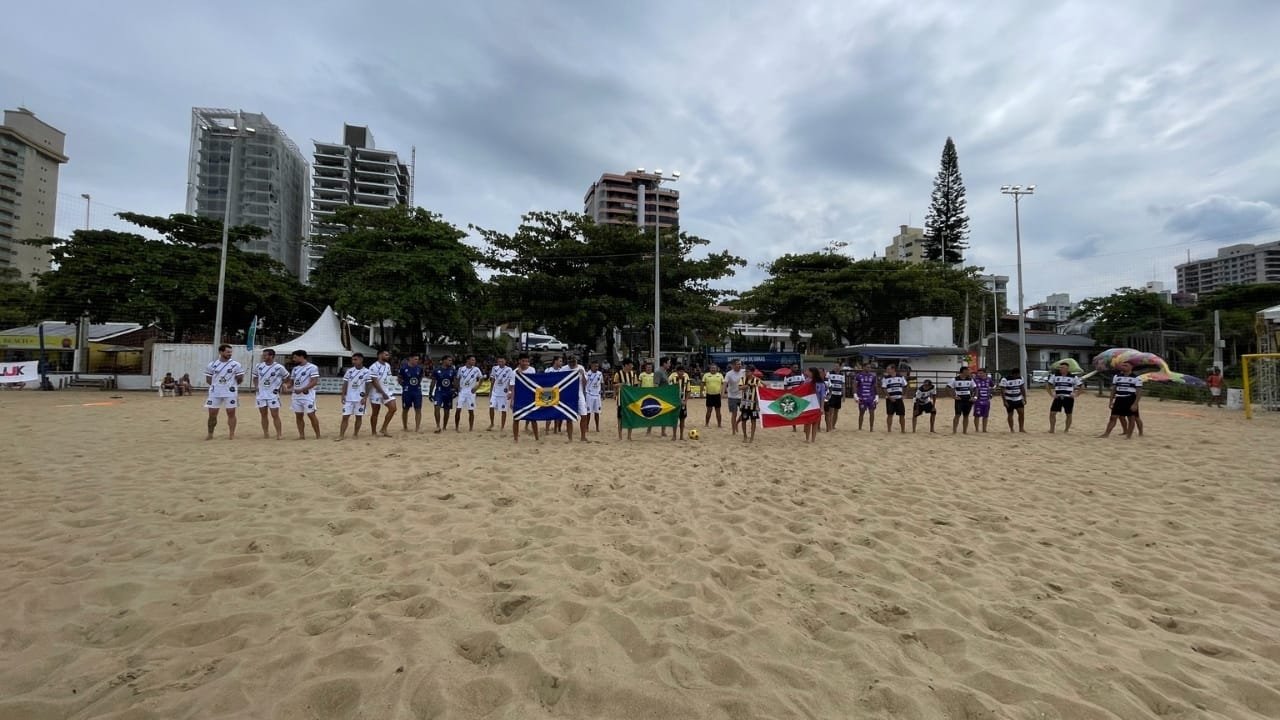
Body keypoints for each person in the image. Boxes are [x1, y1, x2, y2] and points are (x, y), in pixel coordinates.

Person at [337, 352, 387, 441]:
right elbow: (345, 383)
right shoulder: (349, 371)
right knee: (345, 417)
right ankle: (341, 435)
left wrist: (365, 397)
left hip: (360, 399)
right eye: (352, 360)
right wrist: (343, 395)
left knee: (358, 417)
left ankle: (355, 434)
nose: (353, 361)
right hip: (349, 398)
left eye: (355, 359)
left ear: (361, 360)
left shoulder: (367, 372)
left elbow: (368, 385)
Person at [204, 344, 245, 440]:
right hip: (215, 393)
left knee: (231, 413)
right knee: (212, 414)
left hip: (230, 392)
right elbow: (208, 379)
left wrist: (233, 384)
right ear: (221, 352)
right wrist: (217, 386)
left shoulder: (236, 364)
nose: (230, 354)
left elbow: (240, 378)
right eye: (228, 352)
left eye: (231, 352)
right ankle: (210, 434)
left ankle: (231, 434)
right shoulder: (212, 364)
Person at [252, 349, 288, 440]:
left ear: (272, 356)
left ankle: (279, 434)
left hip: (273, 394)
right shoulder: (259, 366)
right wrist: (256, 386)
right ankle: (266, 433)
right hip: (261, 394)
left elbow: (287, 377)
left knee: (275, 414)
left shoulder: (279, 367)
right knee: (263, 415)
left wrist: (283, 384)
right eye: (263, 355)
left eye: (265, 355)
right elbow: (255, 377)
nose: (263, 357)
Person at [1101, 362, 1143, 439]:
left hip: (1130, 399)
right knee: (1113, 417)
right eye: (1122, 365)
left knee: (1132, 418)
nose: (1123, 367)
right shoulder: (1117, 376)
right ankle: (1106, 434)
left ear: (1131, 367)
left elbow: (1139, 392)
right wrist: (1111, 401)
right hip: (1119, 399)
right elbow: (1113, 390)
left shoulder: (1137, 378)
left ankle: (1131, 435)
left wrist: (1135, 403)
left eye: (1126, 365)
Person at [286, 350, 321, 439]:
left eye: (295, 357)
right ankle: (302, 435)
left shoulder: (312, 367)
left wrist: (302, 389)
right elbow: (291, 382)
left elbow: (314, 382)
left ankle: (318, 435)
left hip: (308, 395)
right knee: (298, 415)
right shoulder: (295, 369)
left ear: (302, 356)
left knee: (311, 414)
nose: (294, 359)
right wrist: (286, 386)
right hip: (296, 396)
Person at [367, 349, 398, 437]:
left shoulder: (388, 365)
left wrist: (388, 390)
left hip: (386, 390)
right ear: (380, 355)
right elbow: (374, 381)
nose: (388, 356)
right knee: (375, 412)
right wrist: (382, 392)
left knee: (393, 408)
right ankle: (373, 432)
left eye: (388, 355)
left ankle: (384, 428)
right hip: (376, 392)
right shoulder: (374, 366)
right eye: (386, 354)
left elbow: (387, 379)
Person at [510, 354, 539, 443]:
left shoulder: (532, 370)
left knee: (533, 418)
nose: (525, 363)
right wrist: (512, 399)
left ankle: (537, 437)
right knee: (516, 418)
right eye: (523, 361)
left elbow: (534, 383)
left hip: (530, 396)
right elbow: (512, 386)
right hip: (519, 397)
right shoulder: (514, 372)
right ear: (519, 361)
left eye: (527, 361)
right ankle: (515, 438)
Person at [1047, 362, 1082, 433]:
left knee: (1068, 414)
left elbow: (1081, 386)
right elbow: (1048, 385)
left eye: (1062, 367)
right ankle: (1052, 429)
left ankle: (1066, 430)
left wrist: (1076, 394)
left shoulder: (1073, 377)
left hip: (1068, 398)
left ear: (1067, 369)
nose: (1061, 369)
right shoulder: (1055, 376)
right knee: (1052, 413)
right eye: (1060, 367)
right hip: (1058, 397)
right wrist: (1051, 394)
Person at [455, 354, 484, 433]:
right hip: (462, 391)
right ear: (467, 360)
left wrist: (476, 387)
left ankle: (471, 428)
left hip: (471, 392)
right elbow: (457, 378)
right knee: (458, 409)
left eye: (474, 360)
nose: (474, 361)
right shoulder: (461, 369)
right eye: (472, 360)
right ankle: (457, 427)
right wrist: (458, 388)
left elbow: (481, 378)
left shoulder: (476, 369)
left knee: (471, 410)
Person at [614, 359, 641, 441]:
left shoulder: (633, 374)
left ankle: (629, 436)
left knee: (630, 417)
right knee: (620, 417)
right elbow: (614, 385)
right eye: (630, 365)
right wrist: (621, 385)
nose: (632, 366)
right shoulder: (618, 374)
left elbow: (636, 386)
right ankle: (620, 436)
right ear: (626, 365)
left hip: (631, 399)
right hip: (621, 399)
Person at [430, 355, 458, 433]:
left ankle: (444, 426)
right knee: (437, 407)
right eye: (449, 360)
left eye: (451, 361)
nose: (450, 362)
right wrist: (430, 393)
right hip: (439, 392)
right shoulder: (436, 370)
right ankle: (438, 426)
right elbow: (433, 382)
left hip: (448, 392)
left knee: (447, 410)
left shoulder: (452, 370)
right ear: (444, 361)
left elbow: (455, 381)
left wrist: (456, 390)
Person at [398, 353, 426, 433]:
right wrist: (405, 386)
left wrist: (416, 384)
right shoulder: (403, 368)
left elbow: (421, 377)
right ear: (410, 359)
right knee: (405, 409)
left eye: (417, 359)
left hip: (417, 391)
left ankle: (417, 428)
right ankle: (405, 427)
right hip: (407, 392)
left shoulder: (419, 368)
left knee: (418, 409)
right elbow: (399, 379)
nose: (417, 361)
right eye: (415, 359)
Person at [487, 356, 515, 433]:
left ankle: (502, 426)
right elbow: (492, 380)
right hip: (495, 392)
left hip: (504, 393)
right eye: (499, 361)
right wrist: (490, 391)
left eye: (502, 361)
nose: (500, 363)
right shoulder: (494, 368)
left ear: (505, 361)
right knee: (491, 407)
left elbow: (511, 381)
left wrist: (510, 392)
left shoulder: (509, 370)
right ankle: (492, 423)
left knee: (503, 410)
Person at [948, 365, 976, 434]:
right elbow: (948, 387)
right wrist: (953, 396)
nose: (969, 372)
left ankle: (964, 431)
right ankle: (954, 431)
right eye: (968, 370)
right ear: (964, 371)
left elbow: (975, 388)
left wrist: (974, 397)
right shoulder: (954, 379)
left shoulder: (970, 379)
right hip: (959, 399)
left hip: (968, 399)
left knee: (966, 415)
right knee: (957, 414)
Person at [737, 363, 761, 443]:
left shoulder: (757, 380)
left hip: (753, 405)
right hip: (744, 404)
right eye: (746, 371)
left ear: (752, 372)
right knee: (744, 420)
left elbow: (763, 389)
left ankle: (752, 437)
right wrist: (748, 385)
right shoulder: (743, 379)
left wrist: (757, 385)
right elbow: (739, 387)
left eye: (748, 372)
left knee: (753, 421)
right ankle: (745, 436)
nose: (746, 373)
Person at [999, 367, 1027, 433]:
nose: (1017, 376)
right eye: (1017, 375)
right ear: (1013, 374)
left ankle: (1021, 428)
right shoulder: (1005, 379)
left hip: (1019, 399)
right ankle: (1012, 429)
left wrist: (1024, 397)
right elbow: (1002, 391)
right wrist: (1004, 401)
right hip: (1009, 399)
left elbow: (1022, 388)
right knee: (1010, 414)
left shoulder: (1020, 378)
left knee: (1021, 413)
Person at [880, 363, 907, 433]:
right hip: (890, 399)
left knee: (902, 414)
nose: (887, 370)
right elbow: (884, 389)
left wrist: (904, 395)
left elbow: (906, 386)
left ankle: (903, 430)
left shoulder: (901, 377)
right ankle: (889, 430)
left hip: (899, 398)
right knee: (890, 414)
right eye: (887, 369)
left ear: (893, 369)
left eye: (888, 369)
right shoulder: (885, 378)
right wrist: (889, 397)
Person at [582, 360, 605, 436]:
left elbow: (602, 383)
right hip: (589, 394)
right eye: (595, 366)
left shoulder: (600, 374)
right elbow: (584, 384)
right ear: (591, 366)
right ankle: (587, 426)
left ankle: (597, 427)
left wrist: (603, 393)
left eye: (597, 366)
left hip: (597, 395)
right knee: (588, 412)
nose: (596, 368)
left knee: (597, 412)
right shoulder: (587, 374)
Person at [670, 364, 692, 440]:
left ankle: (681, 436)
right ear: (677, 372)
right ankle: (674, 435)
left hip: (683, 403)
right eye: (679, 371)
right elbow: (671, 391)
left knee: (682, 419)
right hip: (675, 402)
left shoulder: (686, 380)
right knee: (674, 419)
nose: (681, 373)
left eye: (682, 371)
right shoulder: (673, 379)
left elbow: (688, 391)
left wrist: (685, 401)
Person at [854, 363, 879, 431]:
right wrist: (855, 395)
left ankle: (871, 428)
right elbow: (855, 386)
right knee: (861, 413)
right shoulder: (858, 376)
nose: (869, 368)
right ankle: (860, 427)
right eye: (867, 367)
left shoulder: (873, 376)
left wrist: (877, 396)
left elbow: (875, 386)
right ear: (863, 367)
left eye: (870, 367)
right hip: (862, 397)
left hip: (871, 397)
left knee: (872, 412)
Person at [804, 367, 825, 443]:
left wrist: (822, 407)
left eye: (808, 372)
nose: (807, 373)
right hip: (808, 405)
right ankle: (807, 438)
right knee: (808, 422)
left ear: (812, 372)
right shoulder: (807, 381)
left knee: (815, 422)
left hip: (817, 405)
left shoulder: (821, 383)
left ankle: (813, 439)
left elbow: (823, 396)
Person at [724, 359, 744, 435]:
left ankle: (737, 423)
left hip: (742, 396)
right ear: (733, 365)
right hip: (732, 396)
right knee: (734, 414)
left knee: (745, 413)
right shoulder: (729, 374)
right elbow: (725, 383)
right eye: (737, 364)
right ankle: (733, 430)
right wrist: (723, 393)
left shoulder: (744, 372)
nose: (739, 365)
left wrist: (762, 382)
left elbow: (754, 376)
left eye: (740, 364)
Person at [824, 363, 846, 431]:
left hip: (838, 395)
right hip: (831, 394)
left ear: (840, 367)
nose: (836, 367)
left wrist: (844, 395)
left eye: (837, 366)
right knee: (831, 411)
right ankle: (829, 426)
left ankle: (833, 425)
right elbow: (826, 383)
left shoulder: (842, 375)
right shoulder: (829, 373)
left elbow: (843, 385)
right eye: (835, 366)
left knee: (836, 411)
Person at [702, 363, 725, 428]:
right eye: (712, 368)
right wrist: (701, 392)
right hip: (709, 395)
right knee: (709, 410)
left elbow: (723, 385)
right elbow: (702, 384)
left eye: (714, 368)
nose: (713, 369)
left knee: (718, 411)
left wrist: (723, 393)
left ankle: (719, 424)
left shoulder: (720, 375)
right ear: (710, 369)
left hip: (717, 395)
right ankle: (706, 424)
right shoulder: (706, 375)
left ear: (717, 369)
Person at [973, 367, 993, 433]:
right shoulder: (975, 380)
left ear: (985, 373)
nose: (979, 374)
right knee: (977, 415)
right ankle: (977, 429)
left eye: (981, 373)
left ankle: (984, 429)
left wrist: (990, 393)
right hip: (978, 400)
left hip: (986, 400)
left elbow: (992, 386)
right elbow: (972, 388)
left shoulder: (989, 380)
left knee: (985, 415)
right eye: (978, 373)